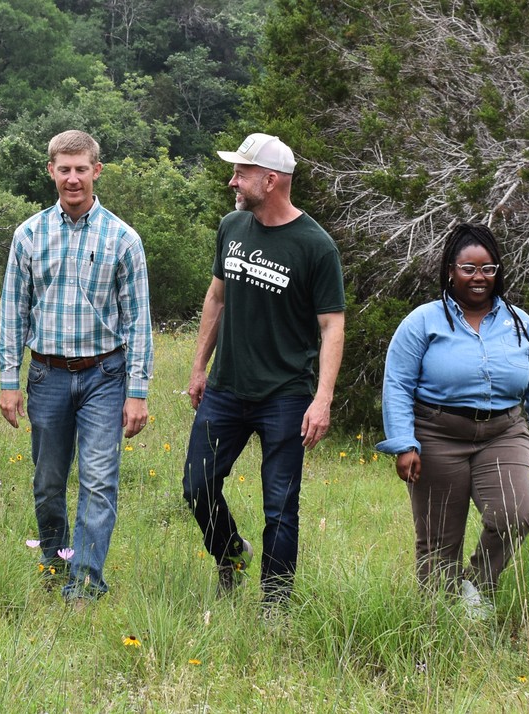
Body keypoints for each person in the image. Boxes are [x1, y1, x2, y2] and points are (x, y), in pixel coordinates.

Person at [182, 133, 346, 601]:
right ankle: (231, 552)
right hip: (226, 389)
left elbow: (332, 326)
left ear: (270, 180)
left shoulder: (316, 246)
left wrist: (322, 399)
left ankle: (275, 604)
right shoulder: (232, 226)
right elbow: (216, 298)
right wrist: (198, 369)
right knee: (197, 485)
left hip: (286, 397)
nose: (232, 180)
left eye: (241, 173)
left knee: (281, 507)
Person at [0, 130, 153, 604]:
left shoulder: (123, 239)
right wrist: (9, 380)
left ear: (96, 171)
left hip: (105, 375)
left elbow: (138, 320)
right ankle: (53, 561)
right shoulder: (29, 235)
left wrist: (138, 390)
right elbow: (13, 312)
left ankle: (84, 583)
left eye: (81, 169)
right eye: (63, 169)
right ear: (51, 171)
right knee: (48, 483)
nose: (72, 178)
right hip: (46, 375)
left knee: (99, 481)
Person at [377, 223, 529, 617]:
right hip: (438, 433)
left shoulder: (520, 324)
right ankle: (438, 625)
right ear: (450, 270)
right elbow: (397, 386)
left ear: (498, 272)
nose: (479, 278)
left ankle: (475, 586)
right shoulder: (423, 322)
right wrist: (404, 444)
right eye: (469, 269)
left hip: (504, 432)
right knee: (439, 542)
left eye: (488, 269)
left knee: (515, 515)